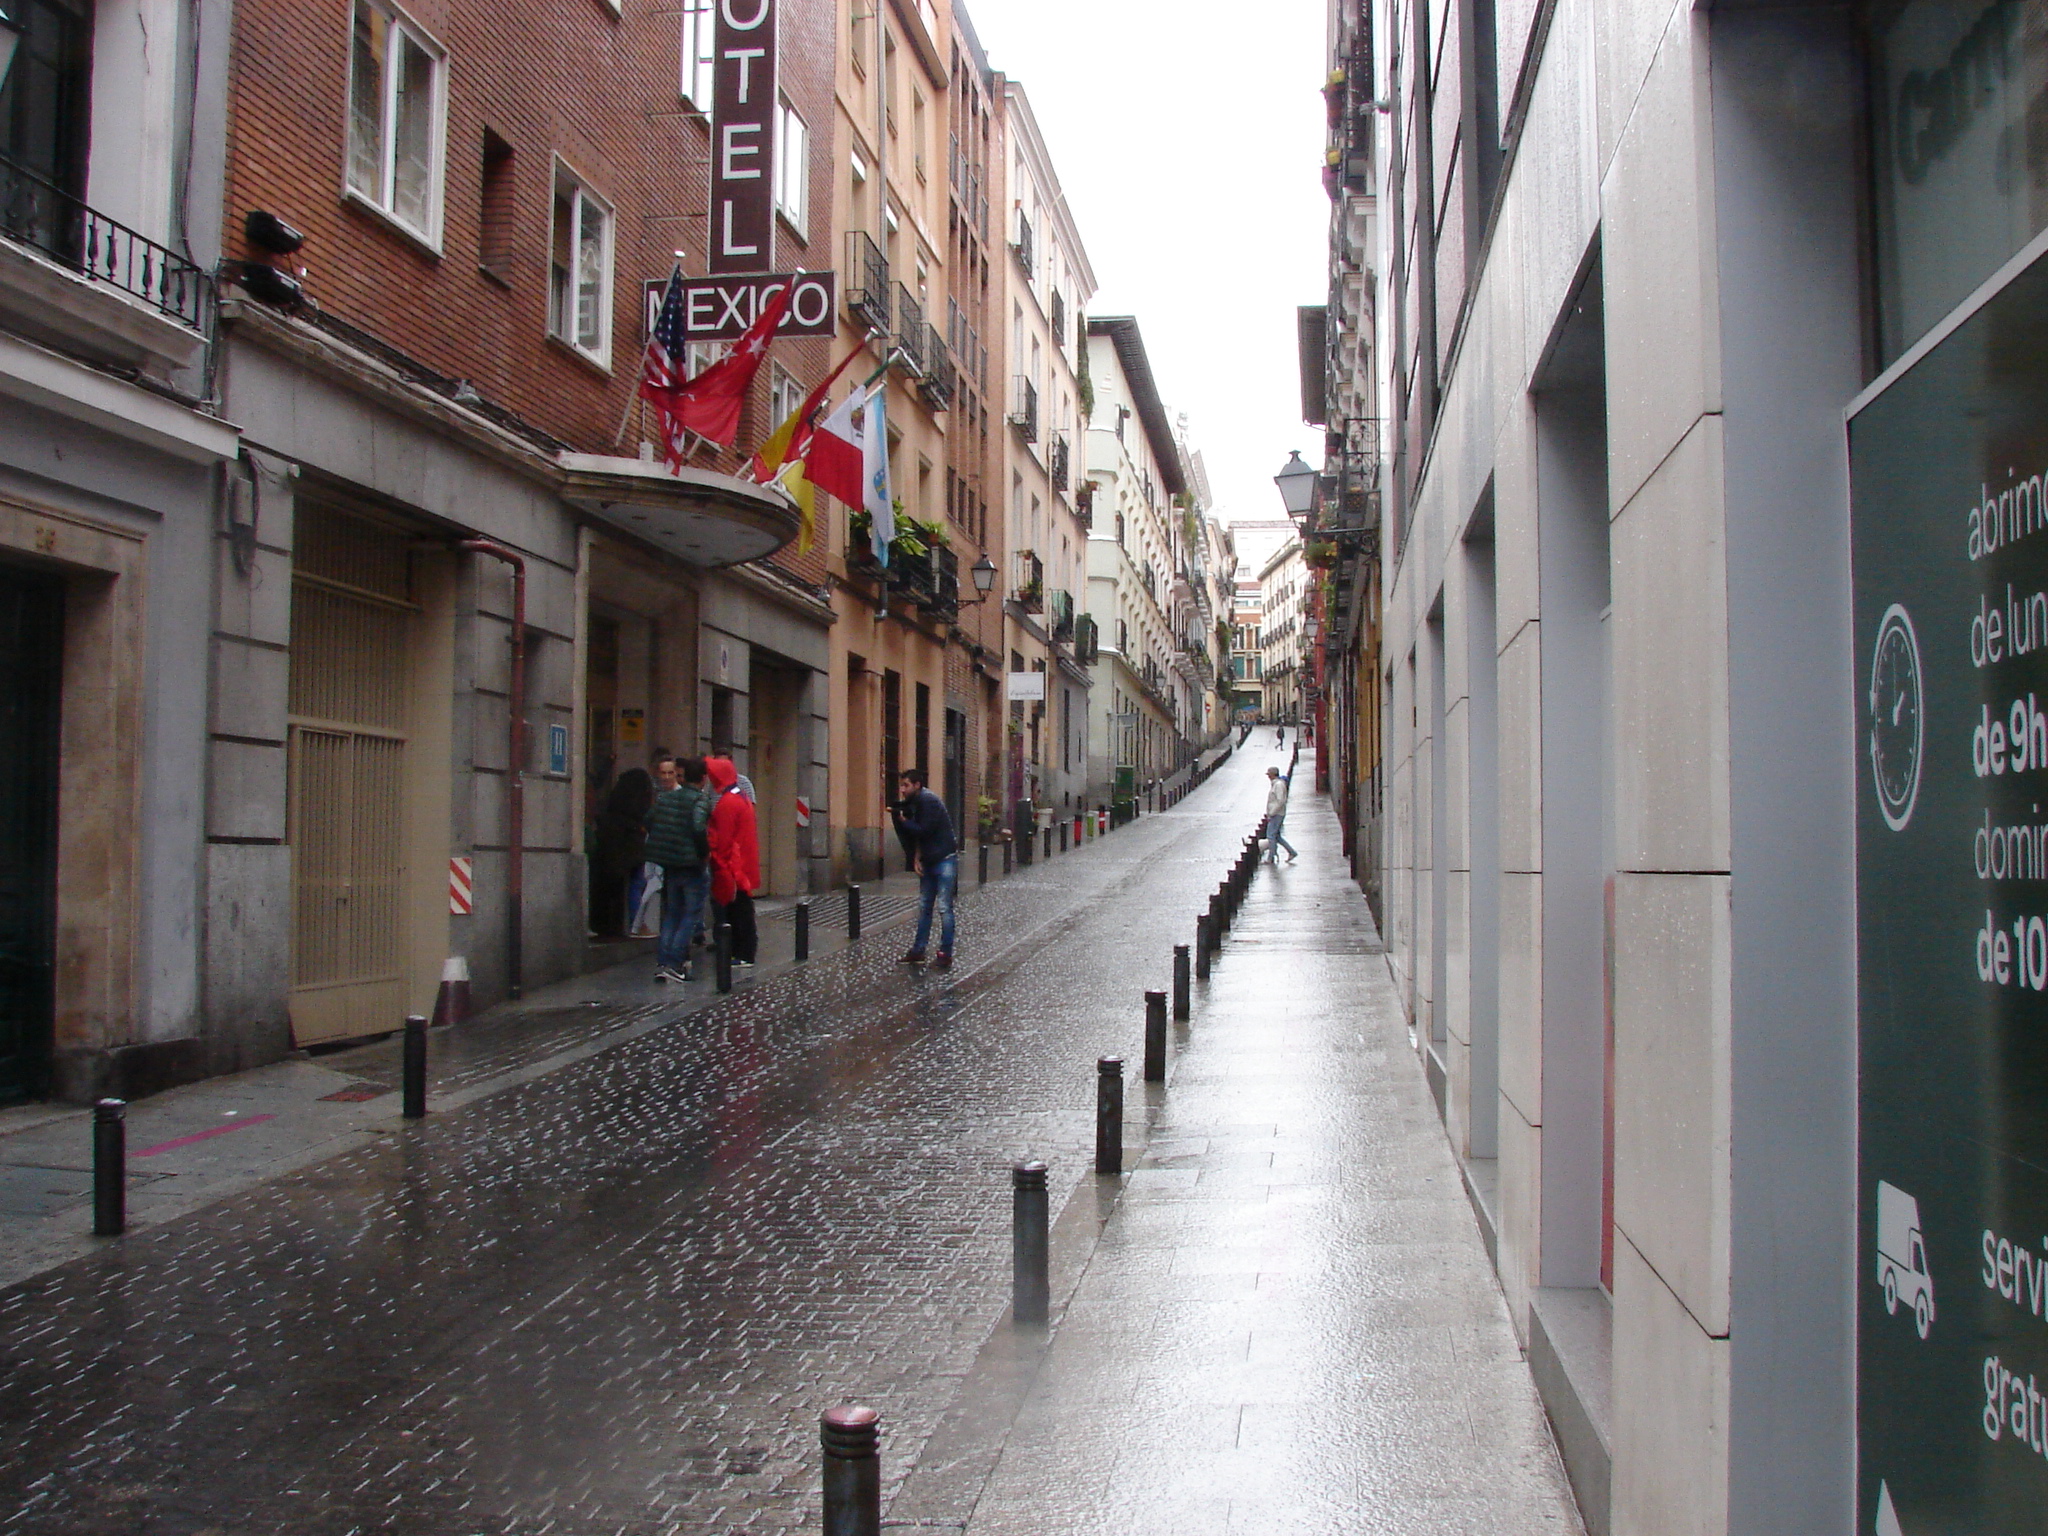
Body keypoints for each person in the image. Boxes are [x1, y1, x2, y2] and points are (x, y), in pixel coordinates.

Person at [644, 756, 713, 982]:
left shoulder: (667, 798)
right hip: (691, 865)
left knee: (672, 914)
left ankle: (663, 962)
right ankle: (674, 963)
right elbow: (698, 826)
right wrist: (704, 852)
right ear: (703, 779)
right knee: (690, 914)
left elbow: (649, 819)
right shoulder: (699, 800)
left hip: (670, 864)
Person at [893, 768, 958, 970]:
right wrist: (917, 857)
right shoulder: (916, 801)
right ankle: (918, 950)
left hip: (944, 859)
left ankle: (945, 953)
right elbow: (921, 837)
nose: (902, 790)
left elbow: (924, 830)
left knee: (944, 907)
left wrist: (903, 821)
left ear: (917, 785)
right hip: (930, 860)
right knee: (925, 906)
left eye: (906, 785)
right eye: (901, 785)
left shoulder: (928, 801)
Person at [706, 756, 760, 967]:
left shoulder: (728, 803)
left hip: (733, 867)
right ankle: (743, 951)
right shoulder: (739, 797)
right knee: (741, 909)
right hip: (741, 864)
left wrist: (720, 863)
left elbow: (724, 839)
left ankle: (742, 952)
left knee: (738, 911)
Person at [590, 767, 655, 937]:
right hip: (630, 850)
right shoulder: (638, 810)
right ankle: (637, 924)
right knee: (636, 884)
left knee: (615, 889)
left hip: (612, 854)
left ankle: (615, 925)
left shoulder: (615, 805)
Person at [1264, 765, 1298, 864]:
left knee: (1270, 835)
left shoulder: (1278, 785)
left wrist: (1272, 812)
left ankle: (1271, 857)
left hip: (1277, 814)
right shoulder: (1276, 784)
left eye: (1269, 774)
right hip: (1277, 813)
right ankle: (1292, 852)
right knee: (1277, 836)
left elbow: (1280, 800)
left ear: (1273, 774)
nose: (1268, 776)